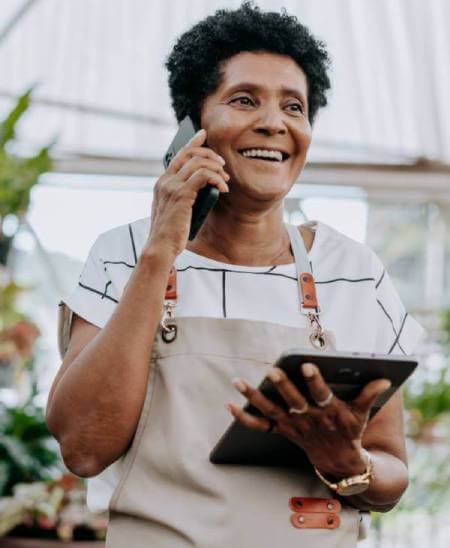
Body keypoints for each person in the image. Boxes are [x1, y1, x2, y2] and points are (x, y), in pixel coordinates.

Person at [46, 3, 425, 547]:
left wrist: (348, 461)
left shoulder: (354, 273)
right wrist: (160, 251)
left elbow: (392, 475)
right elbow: (83, 446)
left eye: (294, 107)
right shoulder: (125, 252)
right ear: (192, 125)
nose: (275, 123)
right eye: (245, 100)